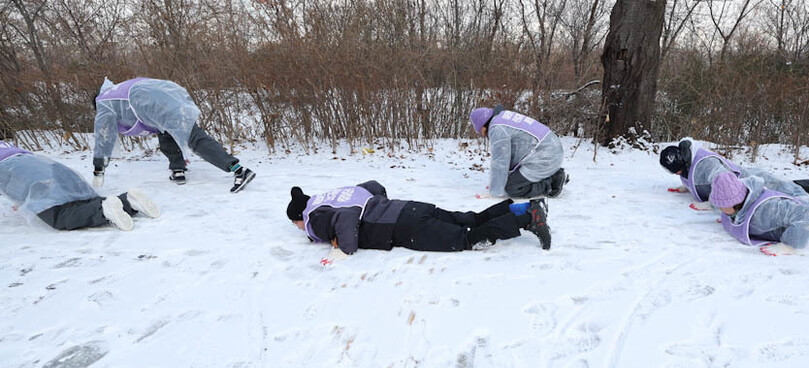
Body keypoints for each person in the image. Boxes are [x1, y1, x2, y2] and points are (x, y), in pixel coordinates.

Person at [286, 180, 552, 258]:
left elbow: (347, 227)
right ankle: (525, 207)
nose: (300, 228)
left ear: (300, 216)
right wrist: (381, 206)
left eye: (296, 224)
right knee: (468, 219)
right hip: (410, 208)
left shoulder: (314, 217)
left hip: (403, 227)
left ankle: (527, 219)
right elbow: (374, 186)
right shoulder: (333, 195)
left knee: (465, 238)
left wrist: (342, 245)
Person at [92, 77, 256, 193]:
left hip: (157, 103)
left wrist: (99, 167)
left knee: (194, 138)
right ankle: (178, 169)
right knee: (165, 129)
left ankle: (239, 170)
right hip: (168, 94)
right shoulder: (116, 92)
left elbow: (103, 136)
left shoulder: (103, 103)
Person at [0, 141, 159, 231]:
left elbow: (13, 176)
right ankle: (128, 201)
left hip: (37, 182)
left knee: (61, 216)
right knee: (81, 201)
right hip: (53, 168)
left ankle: (104, 210)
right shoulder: (5, 145)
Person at [660, 139, 809, 209]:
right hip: (752, 181)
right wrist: (685, 186)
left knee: (795, 195)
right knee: (792, 186)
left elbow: (723, 180)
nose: (678, 173)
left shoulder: (707, 165)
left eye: (677, 170)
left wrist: (709, 204)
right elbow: (696, 180)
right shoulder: (688, 164)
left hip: (752, 183)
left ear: (683, 161)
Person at [469, 105, 568, 199]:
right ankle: (552, 174)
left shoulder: (497, 129)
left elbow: (500, 162)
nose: (481, 135)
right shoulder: (502, 118)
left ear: (482, 126)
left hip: (545, 156)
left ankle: (552, 182)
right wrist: (496, 182)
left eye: (479, 131)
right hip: (551, 149)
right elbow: (510, 155)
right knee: (512, 179)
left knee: (513, 188)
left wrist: (495, 192)